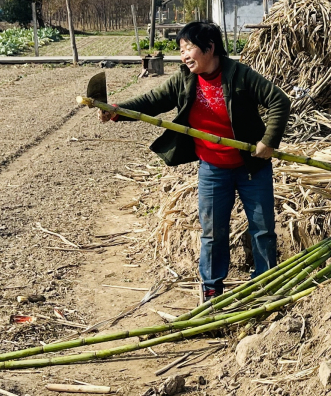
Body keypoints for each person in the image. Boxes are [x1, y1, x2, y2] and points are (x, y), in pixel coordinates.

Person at [101, 21, 290, 301]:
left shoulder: (239, 75)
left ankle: (266, 284)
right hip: (213, 169)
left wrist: (268, 141)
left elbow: (279, 101)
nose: (184, 55)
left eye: (188, 48)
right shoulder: (184, 80)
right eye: (181, 49)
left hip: (251, 166)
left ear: (210, 48)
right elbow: (152, 100)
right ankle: (212, 288)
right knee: (213, 232)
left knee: (262, 229)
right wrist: (117, 111)